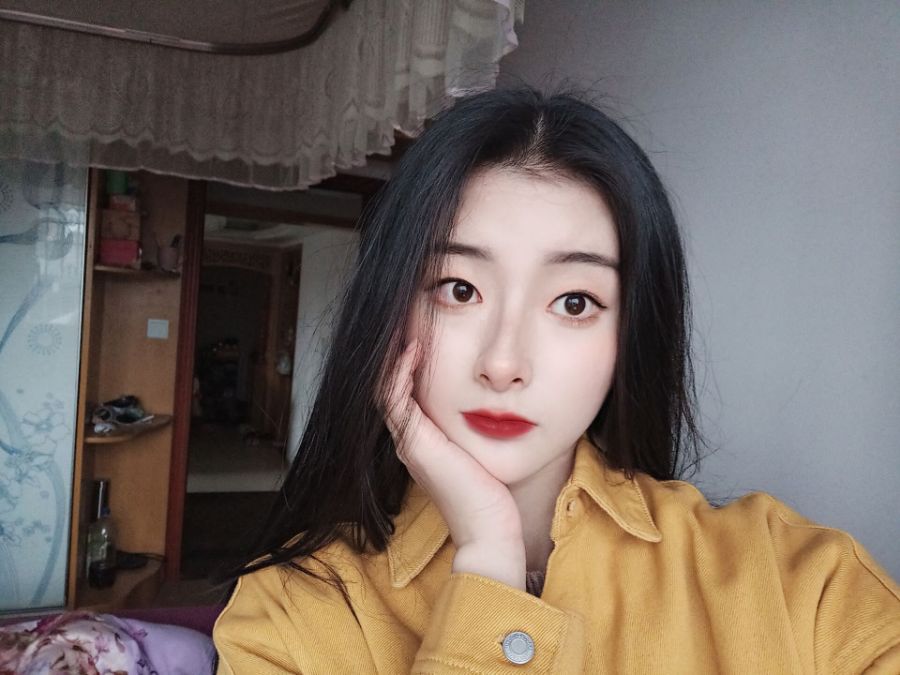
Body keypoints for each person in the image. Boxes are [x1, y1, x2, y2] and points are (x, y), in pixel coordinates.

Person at [212, 87, 900, 673]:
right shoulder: (292, 610)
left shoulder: (801, 582)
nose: (503, 362)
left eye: (574, 302)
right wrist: (487, 557)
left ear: (631, 335)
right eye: (458, 289)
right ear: (389, 309)